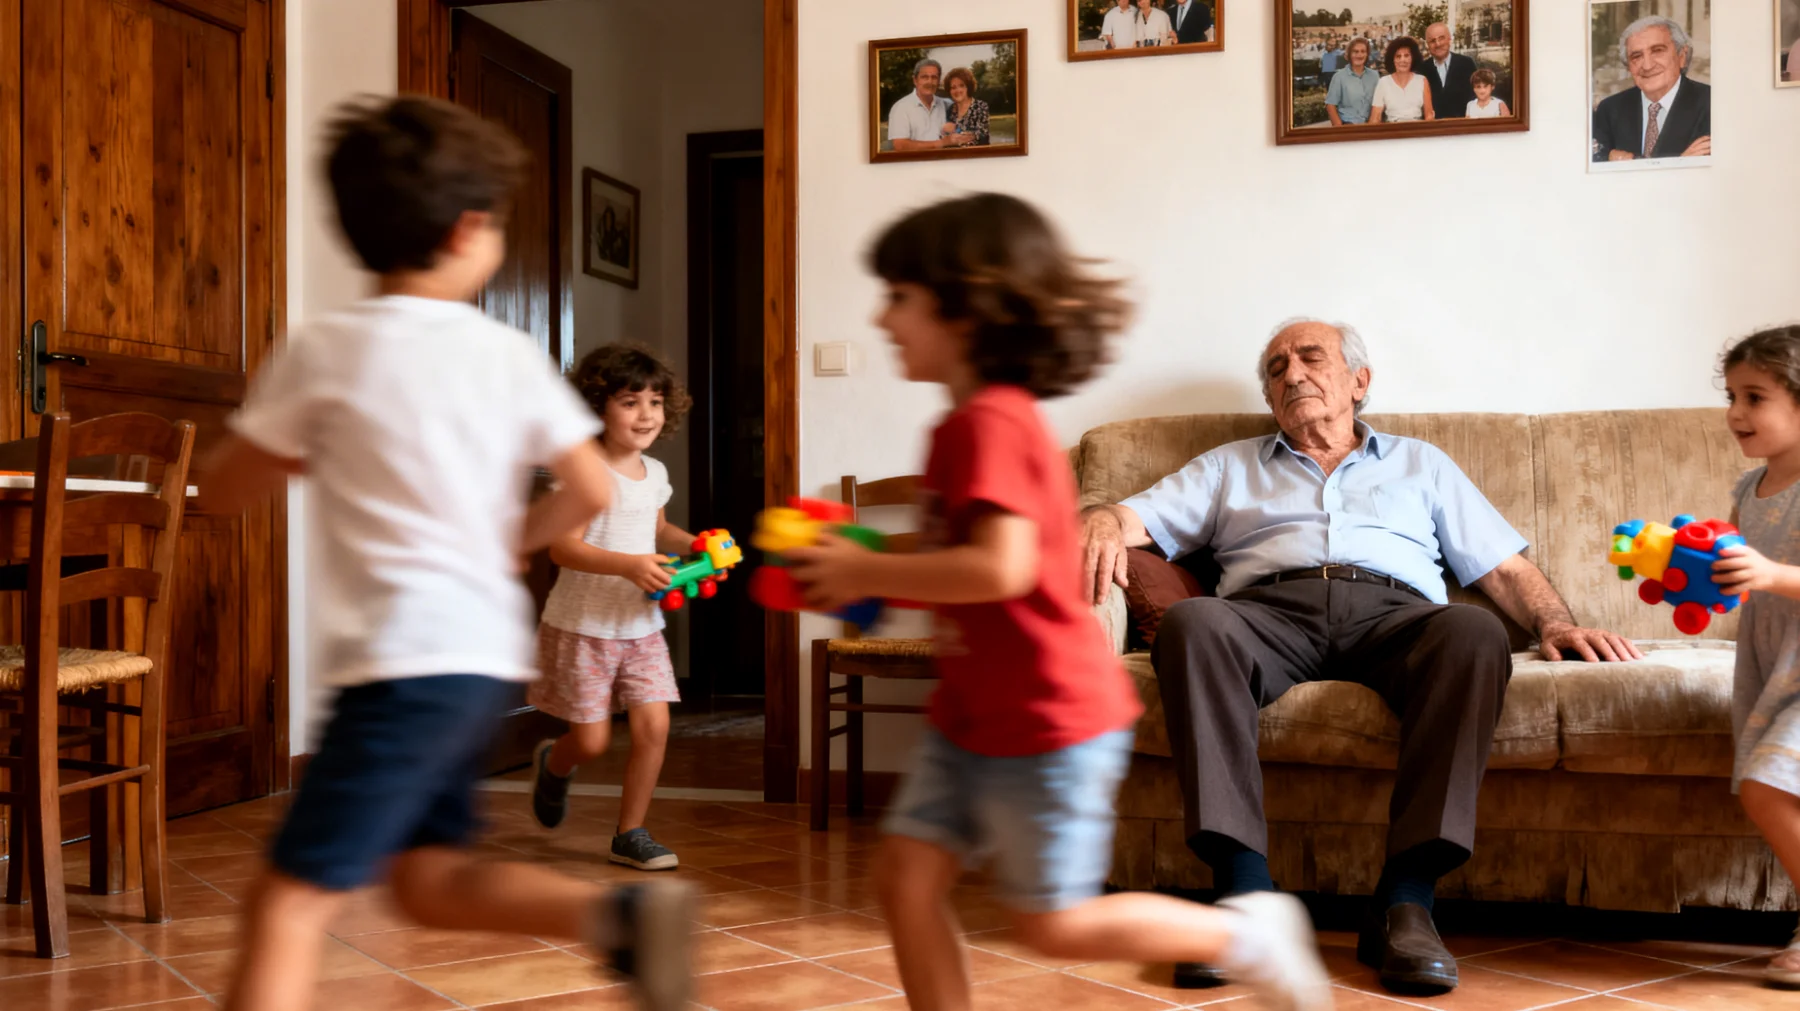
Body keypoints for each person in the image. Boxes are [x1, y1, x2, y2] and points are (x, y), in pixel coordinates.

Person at [783, 194, 1335, 1011]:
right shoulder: (962, 426)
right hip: (974, 710)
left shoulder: (992, 424)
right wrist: (859, 551)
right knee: (906, 876)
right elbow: (953, 552)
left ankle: (1247, 937)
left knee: (1056, 922)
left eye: (900, 294)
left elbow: (998, 568)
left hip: (1046, 716)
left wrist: (867, 577)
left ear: (966, 308)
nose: (882, 315)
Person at [204, 96, 695, 1011]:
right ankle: (621, 920)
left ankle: (626, 920)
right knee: (428, 881)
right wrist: (501, 544)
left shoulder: (325, 348)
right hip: (476, 662)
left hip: (401, 663)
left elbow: (227, 491)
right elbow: (589, 490)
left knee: (288, 896)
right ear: (471, 228)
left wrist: (283, 446)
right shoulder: (506, 352)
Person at [1080, 318, 1639, 996]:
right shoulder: (1230, 465)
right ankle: (1243, 893)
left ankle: (1405, 901)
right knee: (1194, 622)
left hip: (1394, 615)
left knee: (1473, 632)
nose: (1291, 374)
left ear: (1359, 381)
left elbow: (1500, 568)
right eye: (1276, 368)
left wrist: (1557, 622)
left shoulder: (1422, 462)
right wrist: (1106, 516)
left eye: (1310, 357)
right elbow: (1137, 517)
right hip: (1267, 613)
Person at [528, 343, 698, 872]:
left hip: (640, 625)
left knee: (654, 727)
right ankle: (555, 765)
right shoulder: (582, 471)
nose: (646, 413)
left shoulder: (655, 472)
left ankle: (631, 832)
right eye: (629, 401)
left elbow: (657, 529)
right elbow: (563, 547)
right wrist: (628, 565)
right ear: (598, 407)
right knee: (593, 739)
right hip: (582, 626)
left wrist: (694, 543)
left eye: (655, 401)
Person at [1713, 326, 1800, 986]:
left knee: (1769, 783)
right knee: (1762, 783)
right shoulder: (1749, 488)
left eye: (1755, 396)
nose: (1736, 412)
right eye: (1731, 394)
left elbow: (1770, 573)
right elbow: (1740, 570)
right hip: (1771, 662)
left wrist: (1769, 574)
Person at [1592, 15, 1711, 161]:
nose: (1647, 66)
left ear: (1682, 56)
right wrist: (1680, 161)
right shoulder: (1609, 110)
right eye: (1636, 56)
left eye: (1657, 50)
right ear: (1629, 67)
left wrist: (1630, 160)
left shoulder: (1711, 103)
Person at [888, 58, 966, 152]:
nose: (930, 82)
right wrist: (942, 143)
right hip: (915, 165)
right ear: (915, 80)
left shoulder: (947, 104)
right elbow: (900, 146)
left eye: (934, 77)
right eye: (924, 77)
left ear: (938, 81)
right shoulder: (900, 107)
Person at [1419, 22, 1477, 119]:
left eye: (1441, 38)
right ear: (1427, 44)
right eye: (1432, 41)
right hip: (1432, 128)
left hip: (1462, 126)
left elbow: (1477, 96)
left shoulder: (1466, 64)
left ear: (1449, 39)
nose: (1437, 44)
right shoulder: (1422, 69)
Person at [1371, 36, 1433, 122]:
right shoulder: (1383, 82)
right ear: (1393, 60)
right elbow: (1375, 117)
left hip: (1417, 131)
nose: (1402, 60)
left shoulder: (1422, 81)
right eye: (1398, 56)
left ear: (1412, 58)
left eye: (1406, 55)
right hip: (1392, 131)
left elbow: (1429, 115)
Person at [1326, 38, 1381, 126]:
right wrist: (1339, 128)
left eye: (1363, 51)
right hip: (1348, 126)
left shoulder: (1374, 76)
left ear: (1367, 54)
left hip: (1371, 126)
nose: (1359, 55)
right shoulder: (1339, 77)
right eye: (1355, 52)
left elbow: (1379, 103)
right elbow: (1330, 105)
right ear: (1349, 54)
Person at [943, 67, 990, 147]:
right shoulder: (949, 110)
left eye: (961, 86)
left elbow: (983, 135)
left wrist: (959, 137)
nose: (958, 90)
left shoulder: (981, 106)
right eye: (953, 87)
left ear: (968, 87)